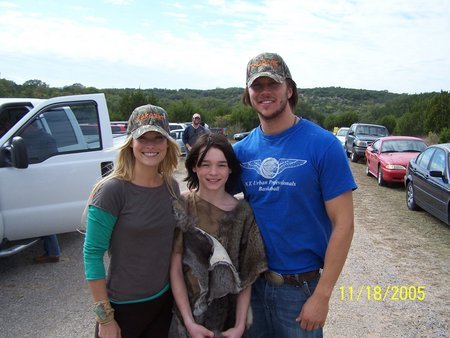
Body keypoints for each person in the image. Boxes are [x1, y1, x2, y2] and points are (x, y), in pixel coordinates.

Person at [233, 52, 357, 338]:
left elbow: (344, 225)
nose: (265, 92)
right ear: (248, 94)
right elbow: (208, 197)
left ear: (289, 90)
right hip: (252, 287)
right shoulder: (241, 152)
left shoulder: (323, 145)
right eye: (256, 86)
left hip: (301, 291)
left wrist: (322, 296)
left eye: (272, 84)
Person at [83, 104, 181, 338]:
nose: (150, 145)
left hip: (162, 303)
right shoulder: (112, 190)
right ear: (130, 143)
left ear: (167, 143)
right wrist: (105, 318)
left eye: (158, 138)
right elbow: (92, 254)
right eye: (142, 138)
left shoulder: (172, 187)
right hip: (123, 308)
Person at [169, 133, 267, 337]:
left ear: (230, 169)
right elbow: (176, 269)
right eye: (205, 164)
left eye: (221, 165)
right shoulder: (182, 206)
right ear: (194, 166)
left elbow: (247, 276)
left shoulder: (243, 213)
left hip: (228, 323)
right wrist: (189, 322)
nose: (213, 172)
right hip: (185, 320)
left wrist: (239, 326)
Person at [20, 120, 62, 263]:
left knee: (44, 218)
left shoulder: (45, 140)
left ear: (31, 125)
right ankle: (52, 251)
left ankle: (53, 252)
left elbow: (48, 163)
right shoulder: (37, 138)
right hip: (36, 183)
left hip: (41, 183)